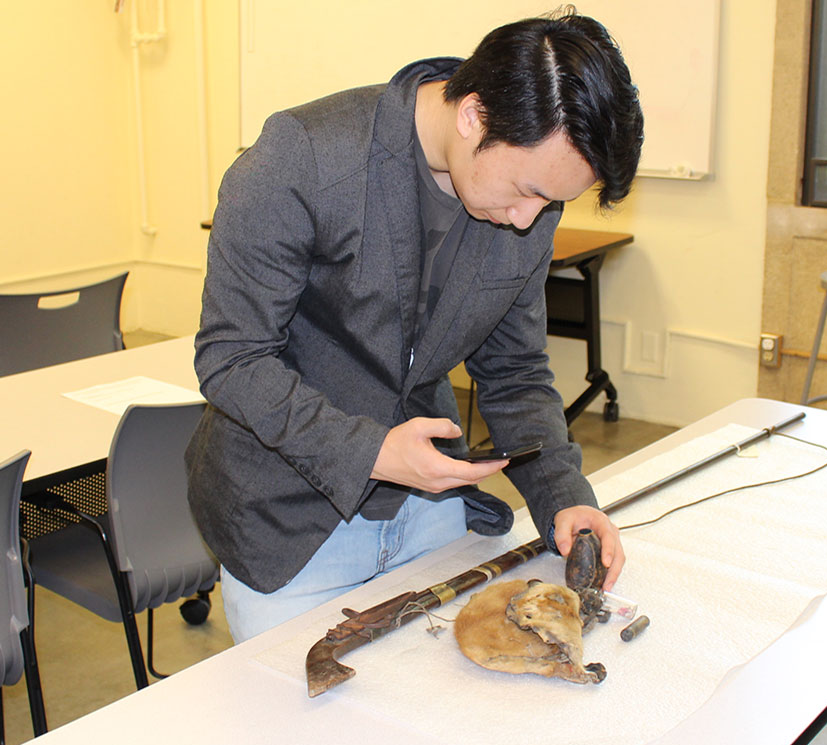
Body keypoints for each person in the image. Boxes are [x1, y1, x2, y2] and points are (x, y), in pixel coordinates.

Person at [185, 10, 645, 641]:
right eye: (526, 189)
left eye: (550, 202)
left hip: (430, 515)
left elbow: (514, 371)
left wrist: (564, 494)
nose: (527, 220)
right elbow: (233, 360)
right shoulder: (304, 159)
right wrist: (370, 451)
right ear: (474, 116)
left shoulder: (529, 204)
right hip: (290, 528)